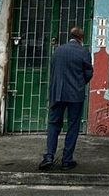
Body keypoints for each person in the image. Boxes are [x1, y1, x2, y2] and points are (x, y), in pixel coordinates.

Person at [39, 26, 93, 172]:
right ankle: (66, 160)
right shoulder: (84, 52)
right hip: (75, 94)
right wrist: (80, 83)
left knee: (53, 124)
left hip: (57, 93)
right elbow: (89, 73)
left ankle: (49, 156)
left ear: (70, 36)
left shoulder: (58, 50)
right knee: (73, 126)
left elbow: (53, 69)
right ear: (81, 38)